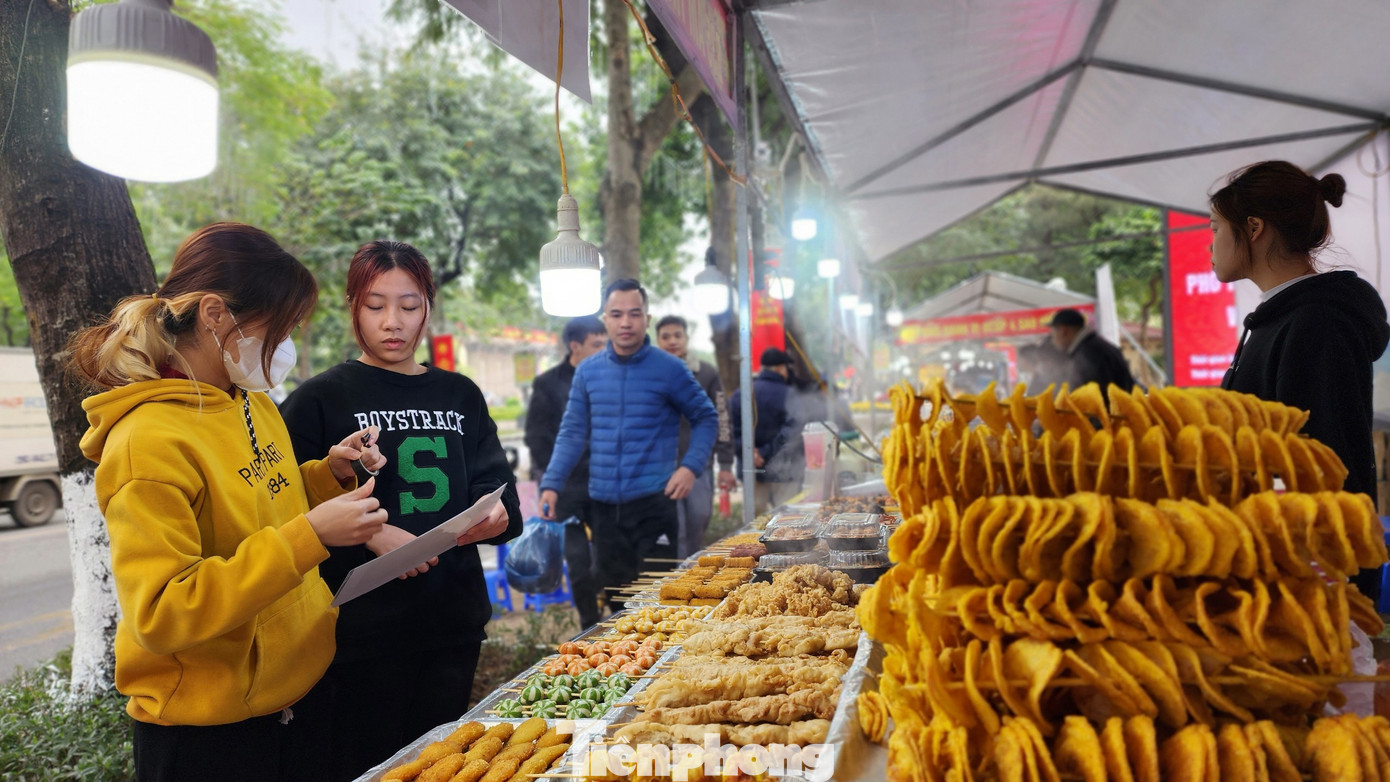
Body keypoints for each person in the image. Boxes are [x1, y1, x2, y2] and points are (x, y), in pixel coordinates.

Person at [72, 223, 389, 782]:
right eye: (279, 328)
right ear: (215, 313)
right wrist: (311, 536)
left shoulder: (251, 402)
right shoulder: (147, 441)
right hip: (210, 734)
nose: (286, 346)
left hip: (299, 691)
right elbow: (163, 613)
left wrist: (327, 476)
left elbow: (265, 504)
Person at [280, 240, 523, 781]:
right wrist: (370, 533)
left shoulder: (461, 395)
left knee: (442, 763)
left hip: (452, 621)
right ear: (353, 307)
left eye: (409, 306)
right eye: (375, 306)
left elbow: (494, 481)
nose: (393, 321)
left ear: (428, 307)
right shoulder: (320, 399)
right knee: (367, 765)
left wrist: (498, 513)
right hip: (359, 633)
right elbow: (285, 499)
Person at [1210, 160, 1390, 595]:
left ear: (1253, 228)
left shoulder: (1317, 323)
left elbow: (1325, 463)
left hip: (1309, 580)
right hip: (1273, 564)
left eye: (1214, 228)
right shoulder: (1278, 318)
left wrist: (1323, 587)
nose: (1210, 244)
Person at [539, 279, 718, 608]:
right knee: (616, 600)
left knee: (658, 601)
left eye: (634, 314)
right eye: (616, 314)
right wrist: (552, 483)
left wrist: (690, 467)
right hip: (604, 509)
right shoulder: (588, 371)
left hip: (655, 504)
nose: (625, 322)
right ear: (605, 319)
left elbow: (706, 417)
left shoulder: (671, 369)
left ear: (646, 319)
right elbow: (572, 431)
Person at [524, 316, 608, 628]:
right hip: (567, 489)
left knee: (610, 557)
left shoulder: (610, 378)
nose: (604, 350)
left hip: (605, 485)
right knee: (578, 562)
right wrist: (553, 480)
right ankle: (590, 624)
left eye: (606, 344)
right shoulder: (547, 384)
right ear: (575, 346)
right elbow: (536, 436)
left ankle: (619, 618)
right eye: (597, 344)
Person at [654, 315, 736, 558]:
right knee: (674, 527)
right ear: (657, 341)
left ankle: (691, 565)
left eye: (677, 335)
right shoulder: (650, 374)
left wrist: (726, 464)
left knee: (699, 517)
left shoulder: (706, 373)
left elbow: (722, 418)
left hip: (699, 464)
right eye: (666, 337)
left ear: (686, 339)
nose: (672, 341)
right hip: (660, 466)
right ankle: (680, 574)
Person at [731, 347, 806, 513]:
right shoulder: (788, 394)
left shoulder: (740, 394)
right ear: (780, 368)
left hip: (751, 468)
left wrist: (750, 453)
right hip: (784, 469)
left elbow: (731, 430)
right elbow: (793, 430)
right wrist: (765, 452)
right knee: (786, 518)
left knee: (754, 519)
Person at [1048, 308, 1135, 398]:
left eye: (1052, 335)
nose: (1052, 341)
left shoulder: (1087, 354)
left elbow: (1097, 399)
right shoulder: (1097, 346)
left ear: (1064, 331)